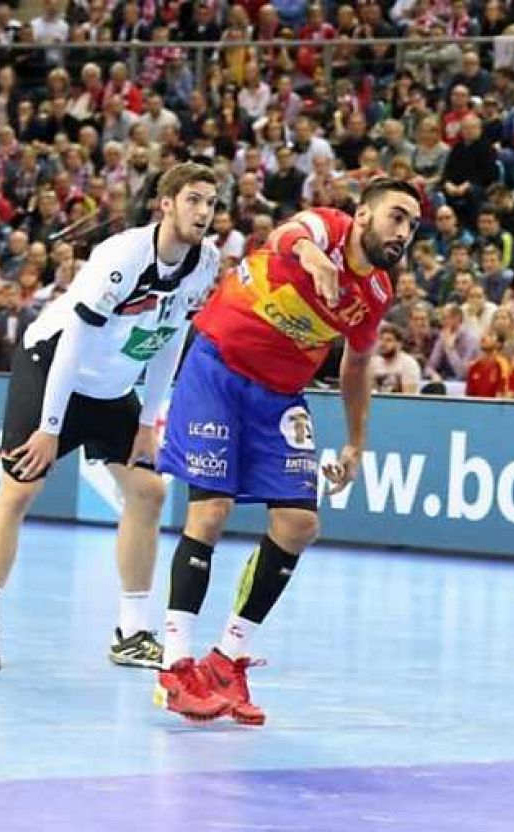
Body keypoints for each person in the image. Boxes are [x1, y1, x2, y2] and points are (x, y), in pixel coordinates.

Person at [153, 179, 422, 725]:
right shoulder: (326, 228)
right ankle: (174, 667)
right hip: (218, 367)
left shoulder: (376, 293)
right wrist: (314, 259)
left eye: (413, 226)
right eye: (397, 217)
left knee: (299, 524)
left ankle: (226, 661)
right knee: (211, 510)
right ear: (363, 216)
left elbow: (354, 365)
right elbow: (286, 236)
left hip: (278, 394)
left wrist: (356, 441)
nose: (405, 232)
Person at [0, 164, 221, 673]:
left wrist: (148, 421)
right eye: (193, 199)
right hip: (53, 366)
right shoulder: (121, 256)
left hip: (111, 387)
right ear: (166, 204)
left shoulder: (205, 262)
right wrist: (50, 428)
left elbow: (169, 339)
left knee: (148, 492)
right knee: (20, 487)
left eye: (211, 203)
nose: (204, 212)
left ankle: (131, 632)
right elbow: (73, 342)